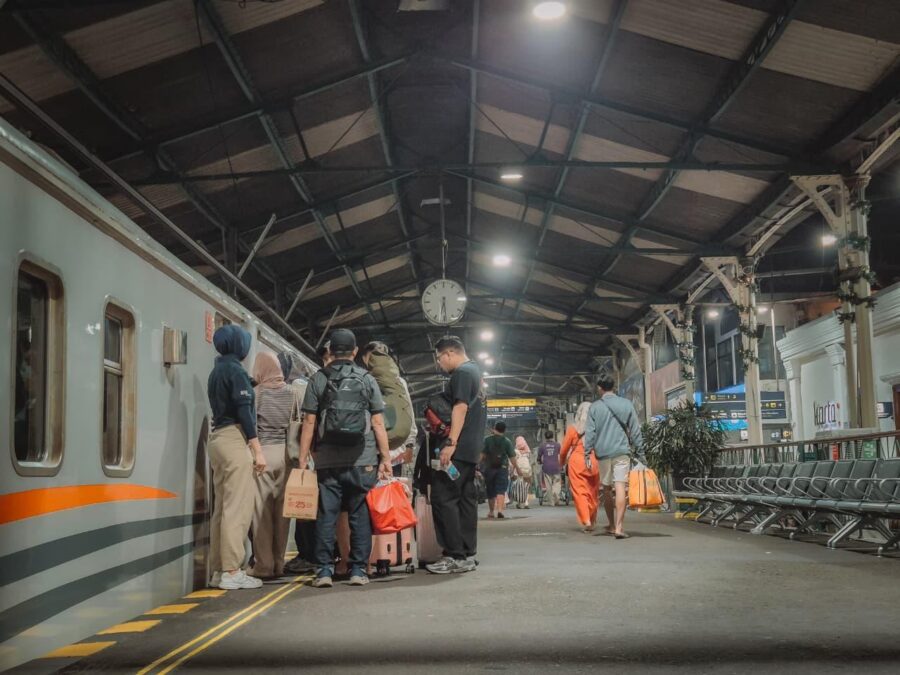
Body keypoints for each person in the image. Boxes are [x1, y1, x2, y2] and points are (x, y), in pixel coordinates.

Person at [298, 329, 392, 588]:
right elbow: (378, 422)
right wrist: (384, 457)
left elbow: (309, 422)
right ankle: (358, 570)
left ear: (330, 352)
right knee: (359, 513)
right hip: (362, 458)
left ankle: (324, 571)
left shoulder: (318, 379)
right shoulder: (367, 378)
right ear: (355, 351)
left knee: (327, 515)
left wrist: (303, 458)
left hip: (328, 459)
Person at [207, 325, 267, 590]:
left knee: (222, 509)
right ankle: (232, 571)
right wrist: (257, 449)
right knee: (238, 508)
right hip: (234, 439)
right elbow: (244, 412)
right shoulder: (236, 371)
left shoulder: (217, 370)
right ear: (239, 345)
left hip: (218, 439)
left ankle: (218, 570)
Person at [427, 335, 486, 574]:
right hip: (471, 449)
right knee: (465, 501)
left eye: (439, 358)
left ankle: (453, 555)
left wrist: (451, 443)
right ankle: (467, 554)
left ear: (449, 353)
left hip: (458, 449)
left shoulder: (462, 373)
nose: (439, 363)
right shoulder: (476, 373)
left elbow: (460, 408)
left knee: (444, 499)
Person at [248, 352, 294, 579]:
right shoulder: (293, 393)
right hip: (287, 455)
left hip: (263, 455)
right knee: (283, 514)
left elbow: (250, 426)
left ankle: (263, 565)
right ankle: (279, 563)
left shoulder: (256, 394)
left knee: (262, 513)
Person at [582, 377, 644, 539]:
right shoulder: (626, 404)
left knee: (607, 489)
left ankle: (611, 525)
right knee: (621, 486)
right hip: (621, 452)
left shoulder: (595, 407)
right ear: (613, 387)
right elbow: (635, 430)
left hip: (603, 453)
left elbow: (590, 432)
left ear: (599, 388)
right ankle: (619, 527)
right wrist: (641, 453)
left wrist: (587, 452)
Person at [560, 402, 600, 532]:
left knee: (580, 492)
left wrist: (561, 463)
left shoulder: (573, 429)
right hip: (593, 461)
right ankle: (592, 520)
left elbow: (564, 450)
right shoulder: (598, 428)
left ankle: (586, 520)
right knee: (593, 492)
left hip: (577, 462)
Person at [480, 421, 519, 519]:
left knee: (490, 490)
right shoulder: (507, 441)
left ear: (494, 428)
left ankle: (491, 512)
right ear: (504, 430)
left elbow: (482, 455)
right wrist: (517, 468)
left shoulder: (487, 440)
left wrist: (475, 465)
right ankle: (500, 510)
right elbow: (512, 457)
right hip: (502, 468)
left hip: (489, 468)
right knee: (501, 490)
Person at [537, 430, 563, 506]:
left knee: (548, 485)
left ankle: (551, 502)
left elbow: (539, 457)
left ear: (545, 437)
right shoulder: (558, 445)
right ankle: (556, 494)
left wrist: (539, 461)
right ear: (553, 436)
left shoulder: (542, 446)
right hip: (556, 467)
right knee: (557, 482)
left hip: (546, 468)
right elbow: (561, 455)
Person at [512, 436, 533, 509]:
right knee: (526, 487)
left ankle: (519, 503)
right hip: (527, 470)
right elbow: (531, 461)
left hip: (519, 470)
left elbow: (514, 462)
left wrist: (512, 471)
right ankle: (526, 502)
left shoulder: (515, 451)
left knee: (519, 487)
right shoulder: (528, 451)